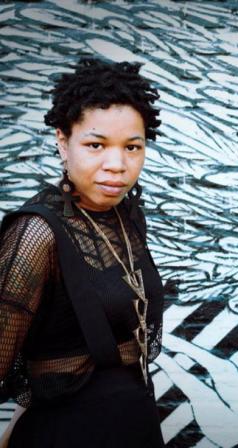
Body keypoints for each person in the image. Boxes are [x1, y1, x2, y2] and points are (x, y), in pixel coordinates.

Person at [0, 58, 165, 447]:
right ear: (63, 141)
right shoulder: (36, 233)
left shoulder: (126, 218)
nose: (116, 165)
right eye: (95, 145)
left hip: (133, 424)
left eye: (132, 147)